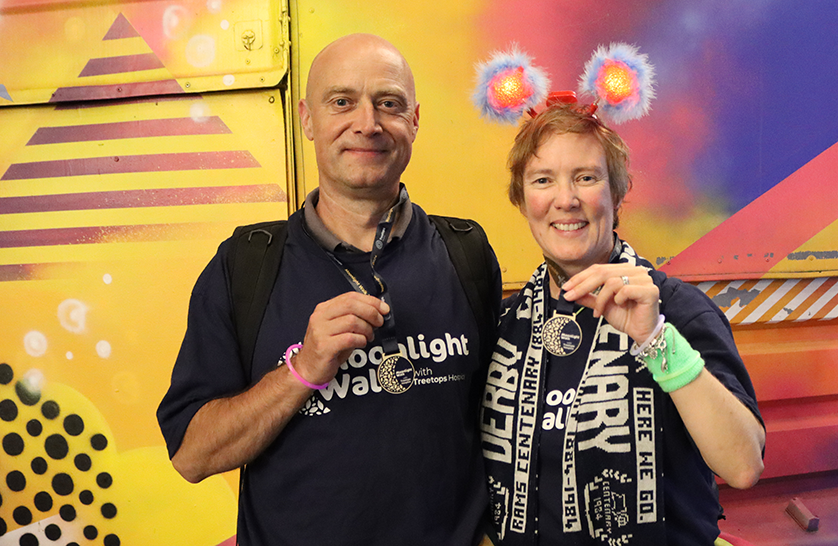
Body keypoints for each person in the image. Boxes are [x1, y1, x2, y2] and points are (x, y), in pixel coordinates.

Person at [157, 33, 500, 545]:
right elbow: (192, 455)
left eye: (389, 103)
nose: (368, 123)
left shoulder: (466, 252)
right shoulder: (245, 265)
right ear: (308, 120)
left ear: (415, 121)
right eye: (342, 102)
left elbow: (507, 426)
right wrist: (302, 370)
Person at [480, 104, 765, 545]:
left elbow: (744, 465)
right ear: (521, 199)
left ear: (617, 191)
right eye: (543, 180)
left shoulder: (676, 309)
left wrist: (655, 340)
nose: (566, 199)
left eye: (586, 177)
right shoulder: (505, 324)